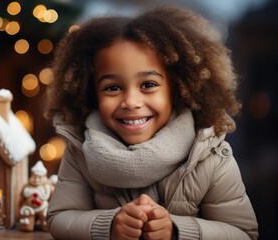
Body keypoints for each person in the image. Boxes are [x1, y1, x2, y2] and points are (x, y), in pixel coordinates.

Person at [44, 5, 258, 240]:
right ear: (92, 93)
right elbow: (60, 217)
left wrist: (176, 230)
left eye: (148, 85)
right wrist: (109, 225)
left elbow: (243, 233)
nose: (131, 102)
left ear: (177, 89)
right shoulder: (81, 151)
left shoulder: (210, 156)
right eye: (112, 88)